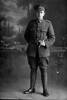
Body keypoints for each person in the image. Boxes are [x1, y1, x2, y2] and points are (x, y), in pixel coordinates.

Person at [23, 4, 55, 96]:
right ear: (36, 13)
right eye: (37, 12)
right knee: (33, 70)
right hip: (32, 52)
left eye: (41, 12)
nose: (39, 14)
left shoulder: (48, 23)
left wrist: (45, 43)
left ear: (44, 13)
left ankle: (45, 90)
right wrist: (32, 43)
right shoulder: (31, 23)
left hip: (43, 52)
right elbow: (26, 35)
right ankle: (32, 88)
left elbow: (52, 38)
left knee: (43, 71)